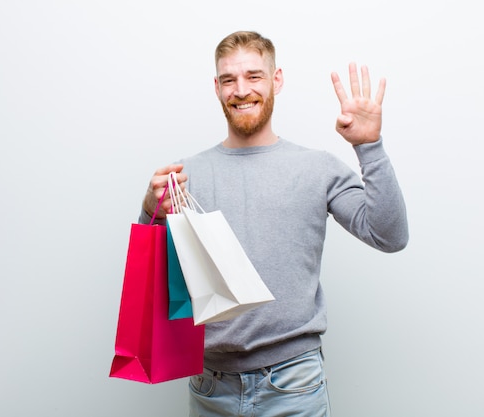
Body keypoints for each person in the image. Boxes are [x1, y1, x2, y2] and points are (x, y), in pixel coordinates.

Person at [138, 31, 408, 417]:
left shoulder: (316, 168)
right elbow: (154, 276)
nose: (241, 89)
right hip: (210, 386)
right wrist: (151, 209)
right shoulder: (186, 176)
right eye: (229, 79)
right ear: (217, 87)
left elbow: (390, 236)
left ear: (276, 80)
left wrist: (370, 147)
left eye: (254, 76)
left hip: (294, 385)